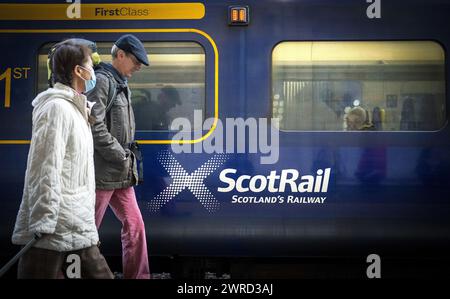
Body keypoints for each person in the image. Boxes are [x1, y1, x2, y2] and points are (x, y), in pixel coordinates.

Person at [12, 41, 113, 279]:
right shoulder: (57, 108)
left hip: (76, 221)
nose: (94, 73)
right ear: (79, 71)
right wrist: (42, 222)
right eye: (90, 66)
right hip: (55, 226)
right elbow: (44, 167)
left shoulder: (77, 110)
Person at [86, 34, 150, 279]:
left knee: (135, 227)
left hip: (121, 173)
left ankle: (139, 276)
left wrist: (124, 160)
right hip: (103, 172)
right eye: (135, 61)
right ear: (120, 55)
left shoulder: (121, 82)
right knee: (86, 232)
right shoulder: (103, 81)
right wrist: (119, 155)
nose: (138, 67)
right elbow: (94, 126)